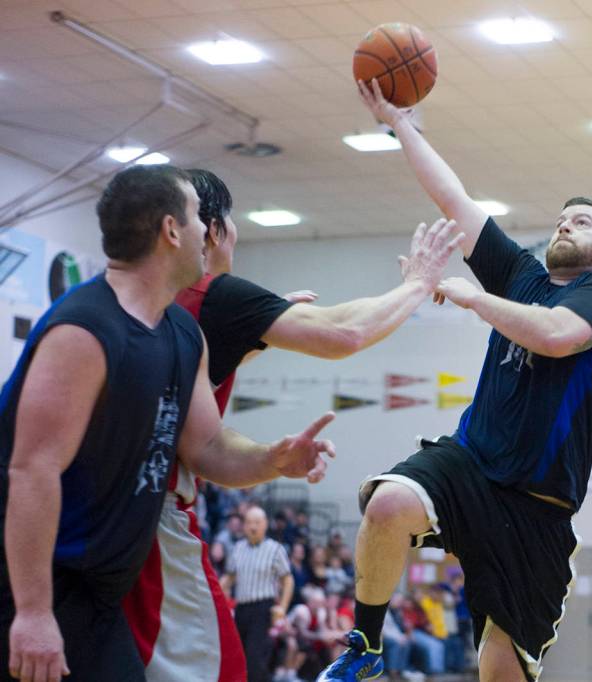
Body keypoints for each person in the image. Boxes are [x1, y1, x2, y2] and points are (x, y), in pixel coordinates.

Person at [317, 78, 592, 682]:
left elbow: (554, 335)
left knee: (500, 673)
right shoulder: (521, 272)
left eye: (581, 223)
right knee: (387, 502)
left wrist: (471, 298)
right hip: (471, 463)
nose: (564, 226)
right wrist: (400, 123)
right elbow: (454, 199)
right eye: (561, 219)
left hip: (538, 504)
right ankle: (366, 645)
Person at [122, 168, 464, 682]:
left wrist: (269, 456)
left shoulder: (151, 311)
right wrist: (419, 282)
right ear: (209, 230)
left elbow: (203, 439)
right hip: (146, 514)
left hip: (97, 515)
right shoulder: (210, 295)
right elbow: (343, 332)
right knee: (222, 670)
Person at [0, 165, 335, 682]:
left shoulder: (180, 330)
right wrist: (32, 613)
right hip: (34, 582)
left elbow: (207, 449)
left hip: (98, 588)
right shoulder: (84, 332)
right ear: (171, 230)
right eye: (198, 219)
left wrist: (273, 460)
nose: (210, 231)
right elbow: (31, 473)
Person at [219, 507, 295, 682]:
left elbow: (288, 580)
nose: (253, 527)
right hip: (241, 609)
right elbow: (228, 578)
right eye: (249, 522)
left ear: (265, 525)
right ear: (243, 526)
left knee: (255, 660)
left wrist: (282, 608)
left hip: (263, 610)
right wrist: (214, 597)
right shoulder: (237, 548)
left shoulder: (275, 549)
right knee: (239, 659)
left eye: (257, 522)